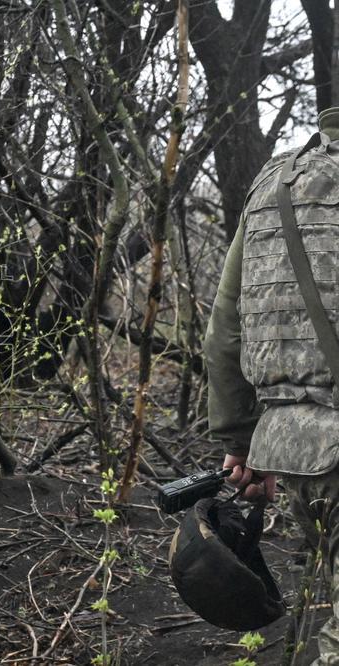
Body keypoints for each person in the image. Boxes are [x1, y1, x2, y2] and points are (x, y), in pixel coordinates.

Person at [205, 107, 339, 660]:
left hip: (290, 449)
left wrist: (240, 443)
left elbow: (224, 329)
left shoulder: (273, 183)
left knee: (322, 599)